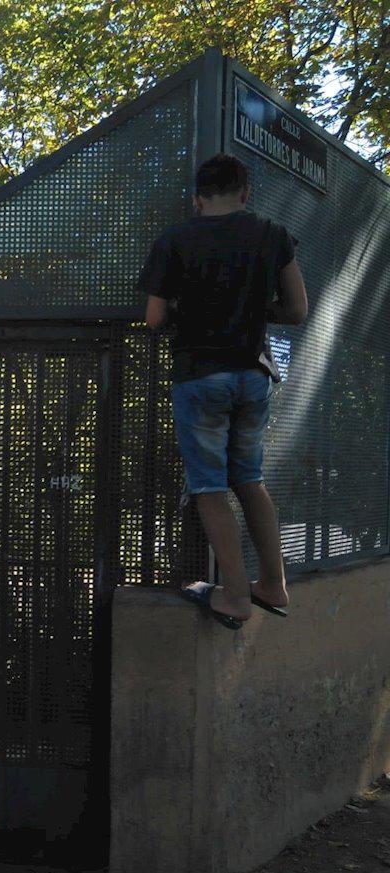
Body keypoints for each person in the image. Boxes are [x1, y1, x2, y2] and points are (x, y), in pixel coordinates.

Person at [139, 153, 309, 629]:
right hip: (253, 375)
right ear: (245, 193)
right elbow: (297, 310)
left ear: (197, 199)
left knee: (209, 489)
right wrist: (255, 309)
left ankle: (234, 596)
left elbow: (153, 318)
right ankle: (272, 584)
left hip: (200, 376)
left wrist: (189, 312)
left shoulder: (174, 240)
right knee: (248, 479)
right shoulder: (273, 235)